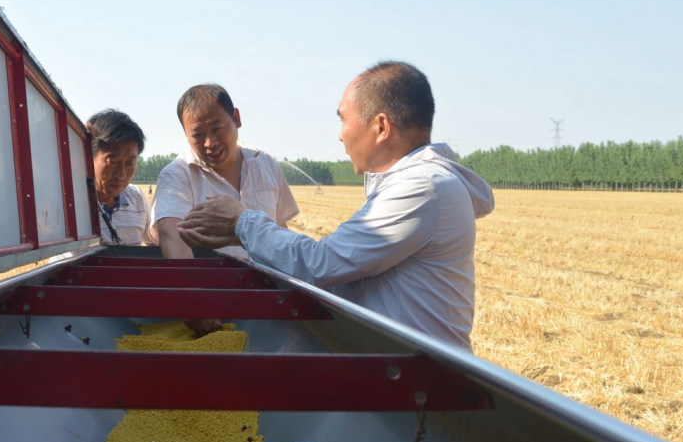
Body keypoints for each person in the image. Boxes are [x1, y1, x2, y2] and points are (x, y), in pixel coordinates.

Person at [177, 61, 495, 350]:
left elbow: (320, 265)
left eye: (343, 119)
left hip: (421, 379)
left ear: (381, 127)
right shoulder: (419, 184)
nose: (341, 136)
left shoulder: (421, 187)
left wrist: (242, 223)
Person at [148, 83, 298, 261]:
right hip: (211, 285)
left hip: (268, 285)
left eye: (217, 129)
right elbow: (171, 237)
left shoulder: (265, 165)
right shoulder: (177, 175)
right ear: (185, 135)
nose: (210, 143)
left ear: (236, 118)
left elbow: (280, 230)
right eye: (198, 135)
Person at [89, 109, 149, 246]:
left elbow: (154, 239)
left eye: (130, 163)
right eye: (112, 162)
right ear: (87, 155)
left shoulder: (137, 198)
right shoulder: (68, 202)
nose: (121, 175)